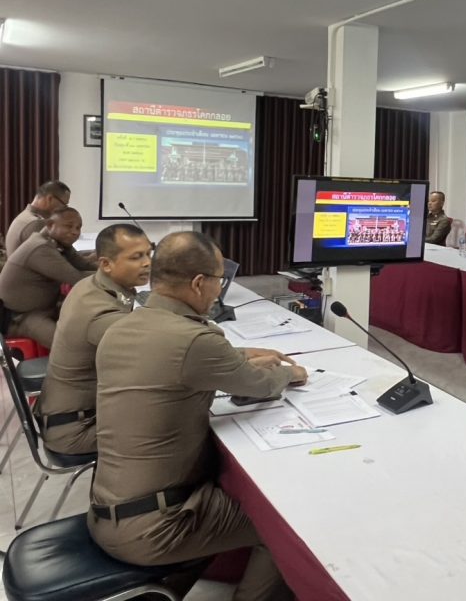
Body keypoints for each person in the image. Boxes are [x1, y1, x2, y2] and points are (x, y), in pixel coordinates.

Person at [88, 231, 304, 601]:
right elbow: (260, 386)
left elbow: (178, 366)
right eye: (219, 280)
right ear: (199, 283)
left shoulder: (121, 327)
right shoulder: (195, 340)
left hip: (107, 511)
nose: (219, 291)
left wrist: (240, 359)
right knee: (284, 526)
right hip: (156, 526)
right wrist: (292, 373)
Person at [36, 223, 152, 455]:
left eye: (149, 254)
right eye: (136, 257)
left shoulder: (91, 286)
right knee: (177, 427)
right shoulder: (99, 313)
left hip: (68, 413)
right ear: (106, 264)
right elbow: (159, 356)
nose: (147, 263)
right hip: (75, 430)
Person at [0, 208, 94, 348]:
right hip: (21, 317)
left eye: (78, 227)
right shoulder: (40, 247)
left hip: (45, 308)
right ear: (50, 225)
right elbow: (76, 277)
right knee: (69, 347)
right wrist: (116, 273)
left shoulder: (58, 243)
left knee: (87, 323)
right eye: (69, 226)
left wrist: (111, 265)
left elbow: (84, 265)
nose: (75, 232)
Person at [4, 179, 72, 255]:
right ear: (49, 199)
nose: (64, 209)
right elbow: (53, 258)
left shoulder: (24, 216)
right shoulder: (37, 223)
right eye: (64, 205)